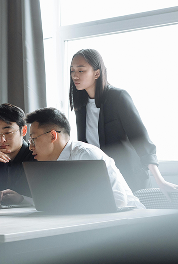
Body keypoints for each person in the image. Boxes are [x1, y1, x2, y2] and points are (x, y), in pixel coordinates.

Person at [69, 48, 178, 197]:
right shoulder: (80, 106)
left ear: (97, 73)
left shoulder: (118, 97)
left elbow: (141, 139)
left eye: (81, 71)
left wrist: (160, 180)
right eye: (72, 70)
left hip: (130, 178)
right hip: (100, 180)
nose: (75, 75)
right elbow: (86, 146)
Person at [25, 107, 145, 209]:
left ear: (52, 136)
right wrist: (23, 199)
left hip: (133, 221)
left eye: (34, 139)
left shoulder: (85, 155)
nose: (30, 147)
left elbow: (119, 202)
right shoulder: (51, 163)